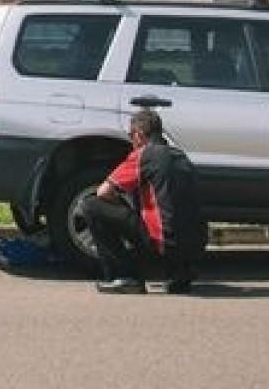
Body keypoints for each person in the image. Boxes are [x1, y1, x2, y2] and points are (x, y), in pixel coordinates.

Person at [84, 108, 206, 294]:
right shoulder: (181, 157)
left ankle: (124, 276)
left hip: (162, 245)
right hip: (194, 247)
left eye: (130, 135)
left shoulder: (144, 155)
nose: (130, 140)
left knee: (91, 206)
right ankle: (181, 274)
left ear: (139, 135)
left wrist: (121, 205)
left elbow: (103, 192)